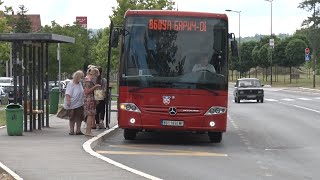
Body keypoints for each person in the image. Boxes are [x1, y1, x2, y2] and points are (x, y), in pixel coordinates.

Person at [64, 70, 85, 135]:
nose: (81, 79)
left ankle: (78, 130)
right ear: (77, 77)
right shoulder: (71, 83)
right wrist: (68, 101)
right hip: (72, 103)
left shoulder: (79, 83)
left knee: (79, 117)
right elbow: (68, 93)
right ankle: (71, 130)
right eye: (80, 77)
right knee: (72, 117)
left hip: (79, 103)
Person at [83, 65, 101, 137]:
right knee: (90, 115)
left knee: (91, 115)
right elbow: (87, 91)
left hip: (89, 98)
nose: (95, 76)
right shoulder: (88, 81)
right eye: (94, 74)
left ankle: (88, 131)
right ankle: (88, 131)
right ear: (91, 73)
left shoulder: (88, 79)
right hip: (89, 99)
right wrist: (95, 87)